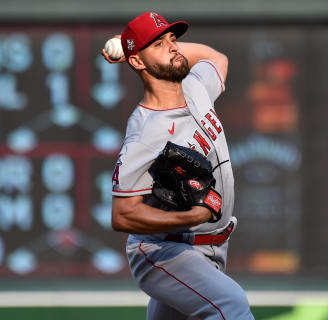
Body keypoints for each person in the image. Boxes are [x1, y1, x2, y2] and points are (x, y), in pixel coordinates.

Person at [103, 12, 255, 320]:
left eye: (173, 39)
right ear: (138, 64)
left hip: (210, 248)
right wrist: (190, 216)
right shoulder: (144, 133)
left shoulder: (196, 88)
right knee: (231, 306)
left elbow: (215, 57)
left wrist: (140, 47)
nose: (174, 48)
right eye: (160, 44)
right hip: (164, 252)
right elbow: (123, 215)